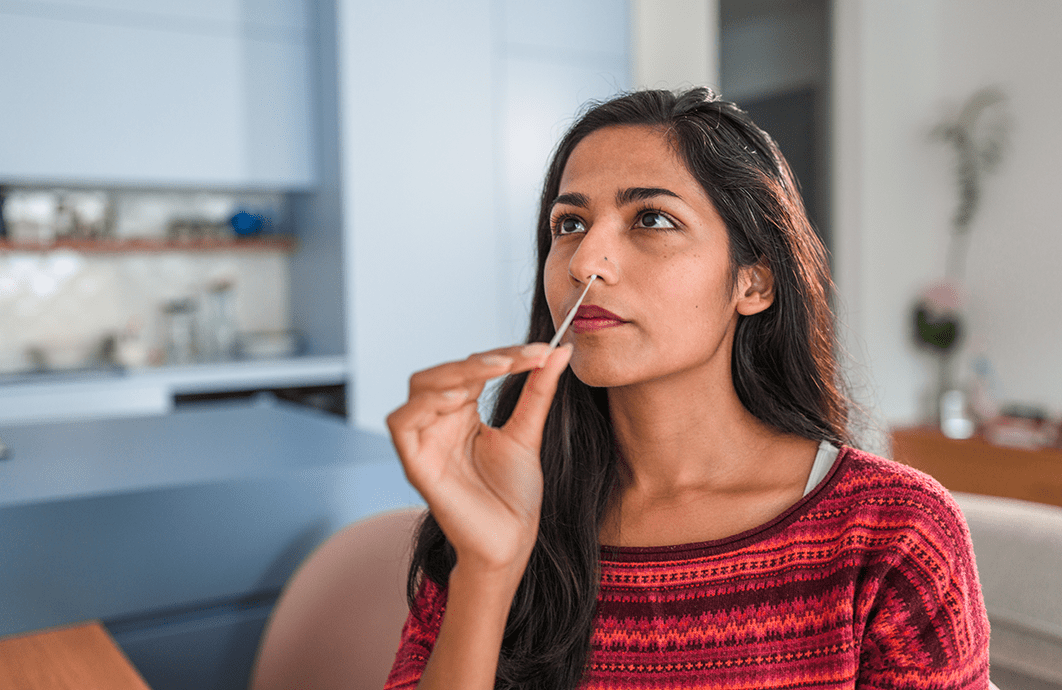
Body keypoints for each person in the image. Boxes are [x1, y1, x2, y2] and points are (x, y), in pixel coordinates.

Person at [384, 88, 990, 690]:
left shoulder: (894, 532)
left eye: (652, 218)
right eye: (569, 224)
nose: (584, 261)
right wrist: (486, 573)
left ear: (752, 283)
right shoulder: (497, 505)